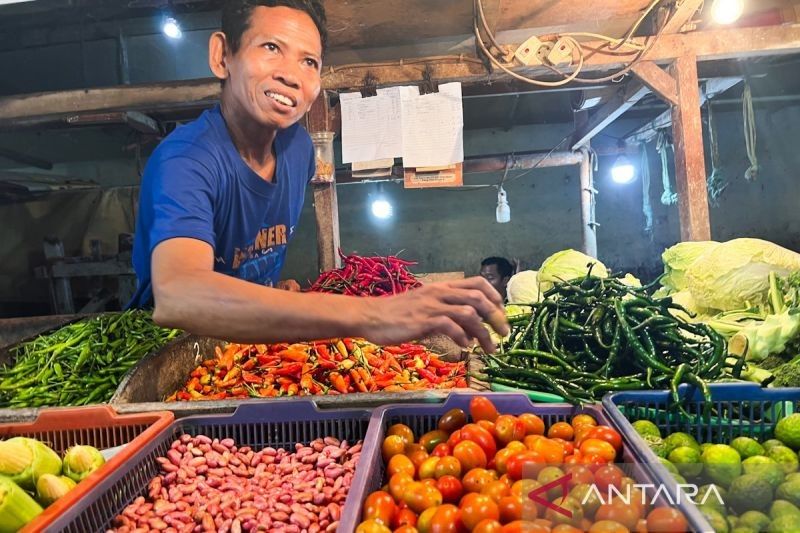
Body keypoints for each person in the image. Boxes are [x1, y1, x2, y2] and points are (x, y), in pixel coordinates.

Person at [129, 0, 508, 352]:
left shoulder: (297, 150)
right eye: (271, 48)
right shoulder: (185, 160)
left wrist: (269, 291)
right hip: (167, 358)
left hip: (241, 350)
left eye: (309, 62)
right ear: (221, 56)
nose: (292, 75)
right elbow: (178, 294)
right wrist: (374, 314)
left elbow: (238, 261)